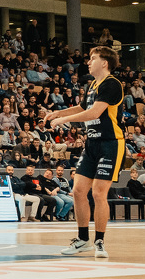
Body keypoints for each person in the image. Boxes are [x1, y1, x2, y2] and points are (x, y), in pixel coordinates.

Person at [48, 46, 124, 259]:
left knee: (99, 193)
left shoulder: (112, 84)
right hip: (91, 144)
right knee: (78, 191)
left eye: (93, 58)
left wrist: (64, 120)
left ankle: (99, 241)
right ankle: (83, 240)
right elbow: (82, 108)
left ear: (104, 63)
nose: (88, 62)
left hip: (111, 144)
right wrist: (58, 112)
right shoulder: (92, 85)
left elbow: (94, 112)